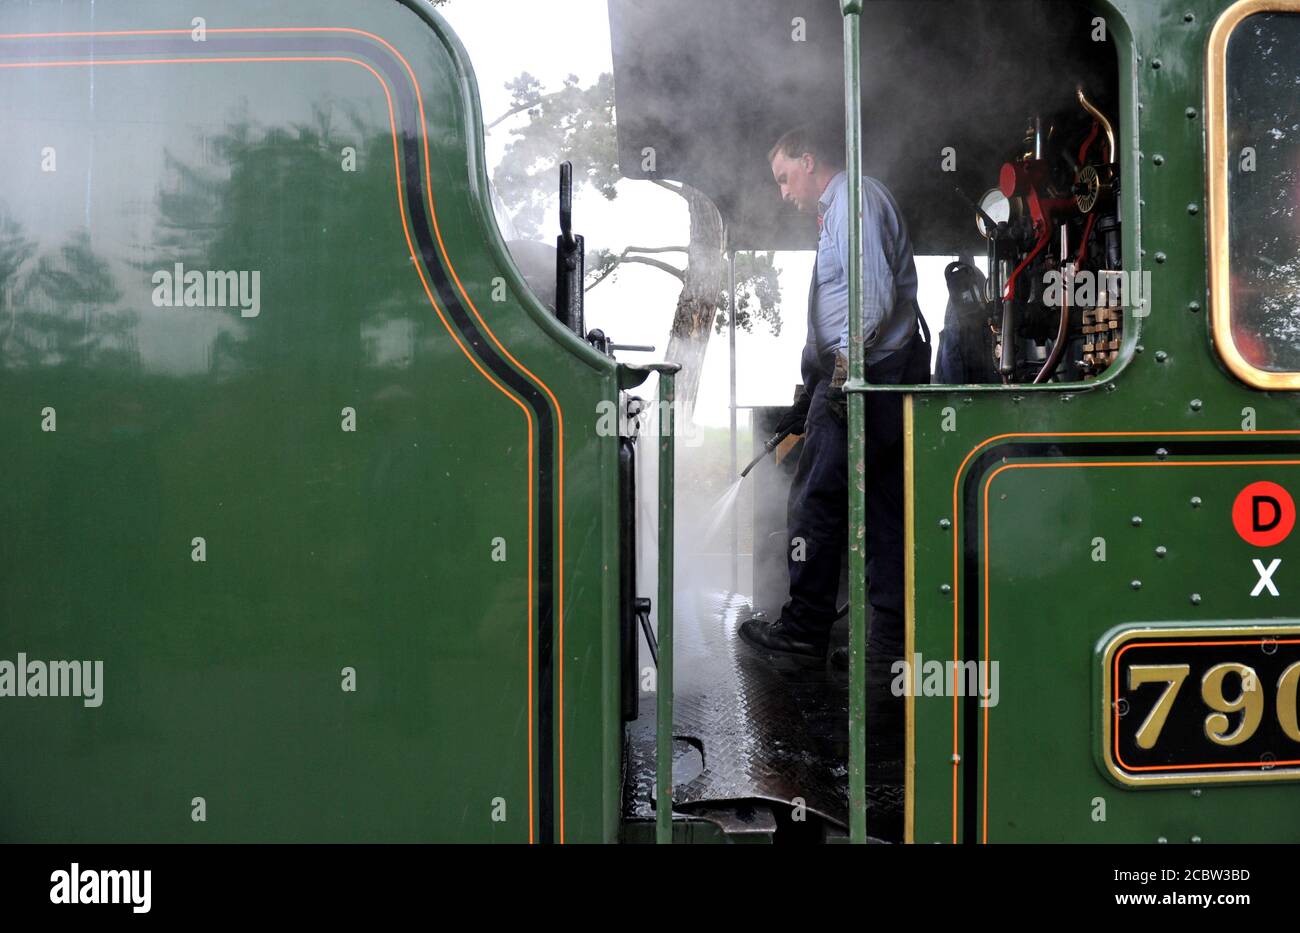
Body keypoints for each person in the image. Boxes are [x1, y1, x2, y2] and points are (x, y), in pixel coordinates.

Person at [740, 127, 930, 706]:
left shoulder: (853, 198)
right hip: (870, 376)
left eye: (783, 177)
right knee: (882, 511)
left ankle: (801, 637)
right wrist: (807, 389)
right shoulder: (838, 216)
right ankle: (888, 650)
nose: (782, 192)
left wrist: (840, 378)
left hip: (865, 377)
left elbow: (868, 300)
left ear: (808, 159)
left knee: (815, 501)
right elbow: (837, 305)